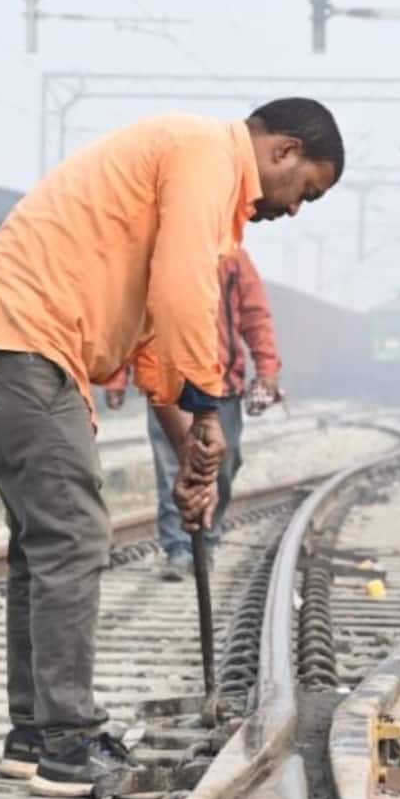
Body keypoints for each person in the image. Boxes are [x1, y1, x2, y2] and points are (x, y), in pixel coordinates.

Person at [0, 99, 343, 797]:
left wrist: (188, 443)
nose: (297, 209)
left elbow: (152, 337)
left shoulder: (188, 163)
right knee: (73, 534)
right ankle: (68, 742)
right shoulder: (208, 156)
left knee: (44, 540)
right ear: (283, 151)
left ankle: (35, 735)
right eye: (307, 190)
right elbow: (185, 294)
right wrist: (209, 398)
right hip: (20, 340)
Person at [107, 244, 283, 580]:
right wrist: (117, 377)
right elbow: (132, 318)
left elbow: (254, 314)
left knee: (223, 466)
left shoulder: (233, 257)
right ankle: (178, 548)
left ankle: (207, 540)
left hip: (221, 386)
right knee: (172, 465)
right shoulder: (156, 253)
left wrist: (267, 369)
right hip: (167, 382)